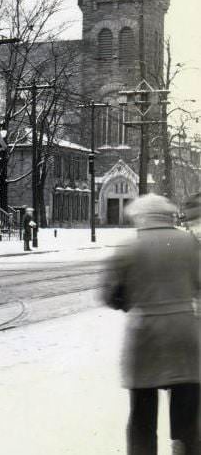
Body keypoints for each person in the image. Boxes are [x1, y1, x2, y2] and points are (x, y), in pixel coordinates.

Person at [102, 194, 200, 455]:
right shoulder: (189, 243)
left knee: (142, 414)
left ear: (140, 217)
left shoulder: (128, 248)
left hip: (145, 336)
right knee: (187, 409)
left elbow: (110, 296)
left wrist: (133, 303)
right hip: (184, 333)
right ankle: (185, 446)